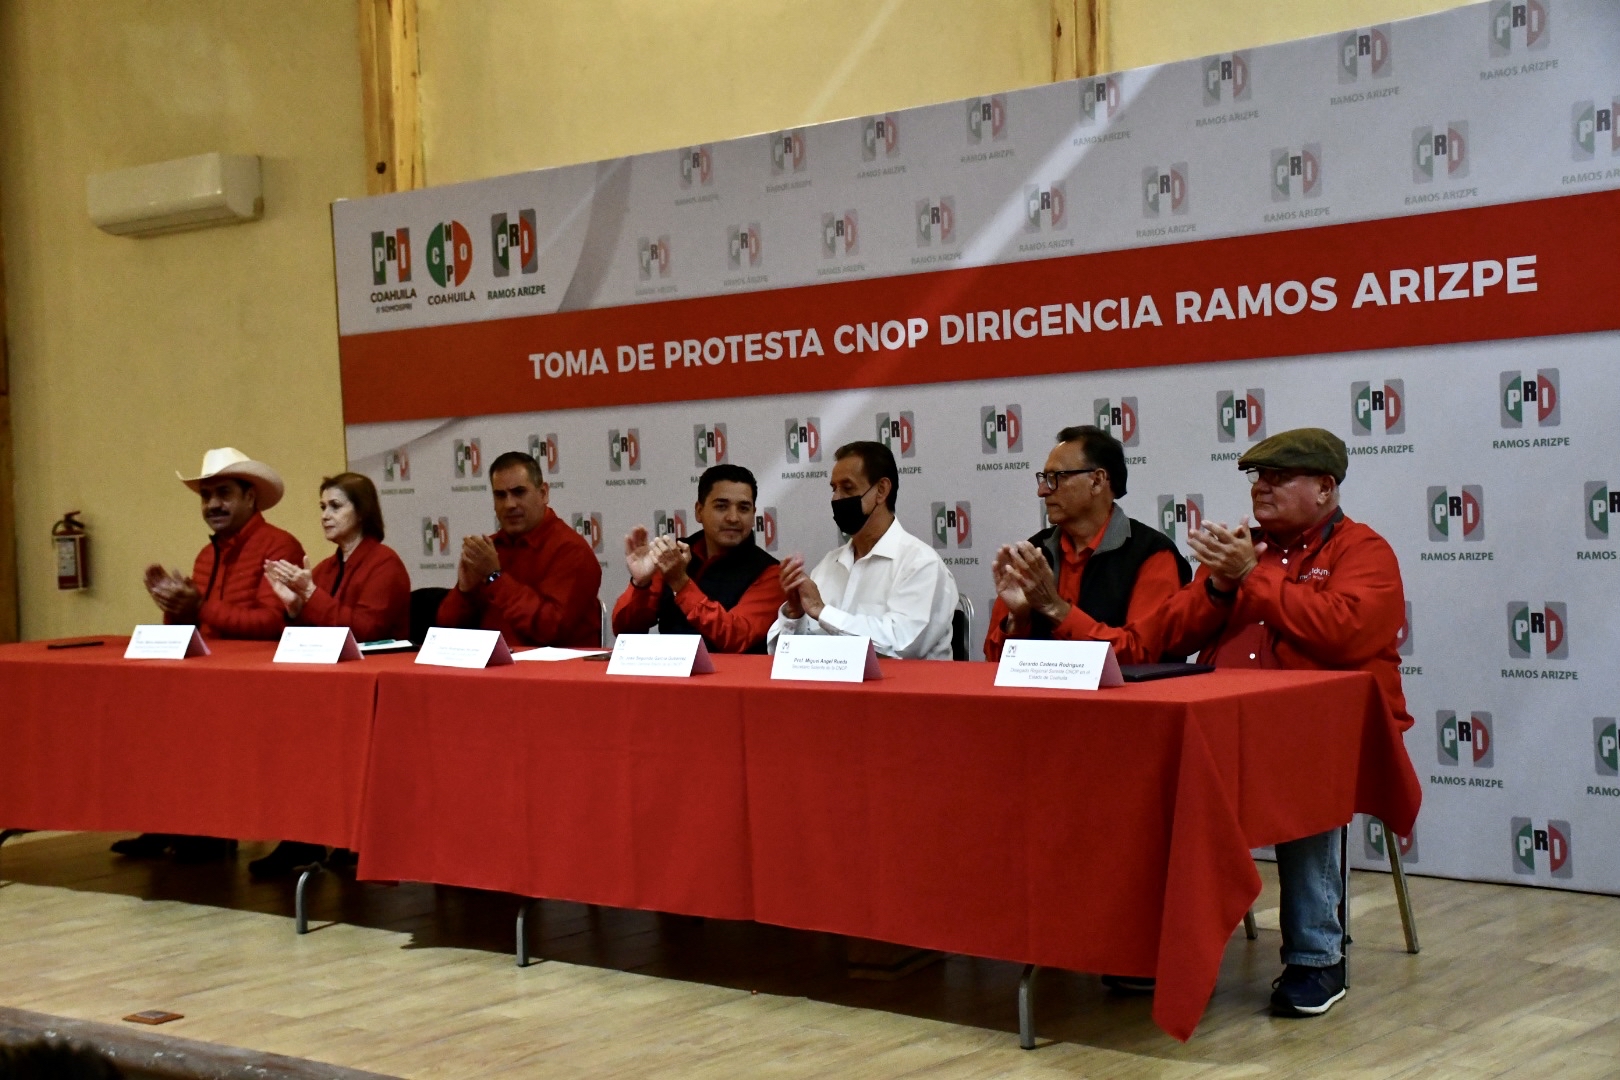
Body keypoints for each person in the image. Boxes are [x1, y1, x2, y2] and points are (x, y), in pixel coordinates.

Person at [1139, 427, 1412, 1018]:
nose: (1260, 487)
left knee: (1305, 776)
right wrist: (1218, 585)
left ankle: (1317, 957)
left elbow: (1347, 631)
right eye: (1256, 477)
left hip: (1325, 732)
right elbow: (1168, 638)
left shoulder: (1363, 549)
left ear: (1325, 488)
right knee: (1156, 776)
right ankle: (1163, 948)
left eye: (1278, 477)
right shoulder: (1242, 552)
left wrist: (1252, 577)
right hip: (1228, 722)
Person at [118, 447, 304, 864]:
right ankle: (171, 822)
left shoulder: (279, 546)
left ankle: (200, 829)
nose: (212, 505)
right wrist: (174, 606)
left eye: (223, 494)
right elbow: (200, 627)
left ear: (250, 497)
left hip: (262, 684)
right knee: (145, 708)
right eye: (206, 496)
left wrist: (198, 606)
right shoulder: (207, 555)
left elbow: (273, 624)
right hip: (211, 680)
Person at [252, 471, 411, 879]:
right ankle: (301, 837)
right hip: (333, 691)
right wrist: (293, 609)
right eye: (322, 507)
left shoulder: (385, 564)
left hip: (376, 693)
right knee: (283, 726)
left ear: (363, 511)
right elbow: (315, 633)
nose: (325, 515)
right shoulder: (323, 569)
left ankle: (328, 839)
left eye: (336, 506)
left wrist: (309, 596)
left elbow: (366, 631)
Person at [983, 425, 1190, 663]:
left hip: (1120, 688)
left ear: (1097, 481)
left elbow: (1140, 654)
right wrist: (1018, 620)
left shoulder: (1151, 554)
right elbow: (993, 662)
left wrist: (1055, 608)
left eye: (1056, 477)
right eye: (1044, 478)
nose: (1042, 491)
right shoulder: (1035, 553)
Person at [767, 440, 957, 660]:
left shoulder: (921, 563)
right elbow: (782, 655)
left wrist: (822, 611)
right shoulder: (829, 564)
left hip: (905, 683)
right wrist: (794, 615)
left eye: (847, 488)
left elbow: (901, 645)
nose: (836, 498)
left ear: (881, 490)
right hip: (836, 682)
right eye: (834, 489)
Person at [612, 464, 785, 653]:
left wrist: (681, 584)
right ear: (699, 511)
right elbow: (625, 631)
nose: (733, 517)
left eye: (743, 508)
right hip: (671, 668)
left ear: (753, 515)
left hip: (732, 672)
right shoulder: (674, 556)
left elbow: (736, 637)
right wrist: (641, 584)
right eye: (721, 506)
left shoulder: (771, 573)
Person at [435, 450, 602, 647]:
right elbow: (445, 632)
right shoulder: (489, 550)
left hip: (553, 665)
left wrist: (495, 578)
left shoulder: (571, 550)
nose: (509, 504)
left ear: (543, 493)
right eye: (500, 495)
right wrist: (464, 591)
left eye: (519, 492)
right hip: (493, 663)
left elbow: (550, 629)